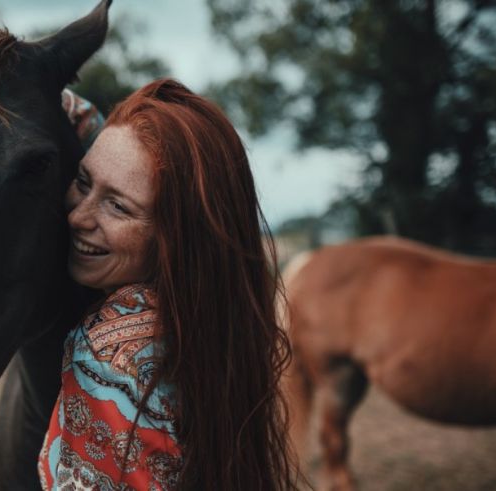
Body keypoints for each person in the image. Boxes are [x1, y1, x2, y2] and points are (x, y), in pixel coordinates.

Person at [40, 79, 298, 490]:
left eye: (117, 206)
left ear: (176, 235)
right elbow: (124, 165)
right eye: (84, 182)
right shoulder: (211, 319)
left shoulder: (108, 354)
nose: (78, 217)